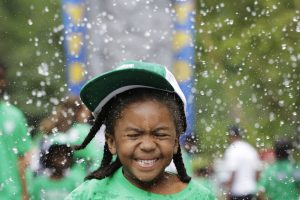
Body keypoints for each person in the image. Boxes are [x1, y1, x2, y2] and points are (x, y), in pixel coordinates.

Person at [66, 60, 215, 199]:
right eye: (133, 135)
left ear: (175, 142)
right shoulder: (88, 195)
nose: (148, 145)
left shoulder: (199, 196)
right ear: (111, 142)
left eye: (160, 134)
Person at [0, 61, 32, 199]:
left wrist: (25, 193)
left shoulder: (14, 115)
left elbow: (23, 158)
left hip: (11, 194)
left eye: (0, 77)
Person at [28, 134, 80, 199]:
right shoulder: (38, 184)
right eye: (57, 154)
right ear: (48, 157)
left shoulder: (74, 184)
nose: (61, 159)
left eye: (65, 155)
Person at [223, 125, 261, 200]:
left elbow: (233, 173)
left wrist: (228, 193)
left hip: (237, 193)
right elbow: (257, 172)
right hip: (251, 191)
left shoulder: (232, 150)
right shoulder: (250, 149)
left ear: (231, 136)